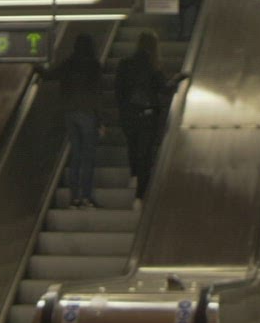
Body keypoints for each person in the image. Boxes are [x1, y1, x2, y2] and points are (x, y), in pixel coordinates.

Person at [113, 30, 187, 209]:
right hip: (148, 116)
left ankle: (133, 175)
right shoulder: (152, 66)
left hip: (129, 116)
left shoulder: (124, 64)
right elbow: (165, 89)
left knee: (133, 146)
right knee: (145, 155)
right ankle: (139, 196)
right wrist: (179, 77)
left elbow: (118, 91)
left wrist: (123, 112)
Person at [38, 33, 105, 208]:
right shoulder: (94, 65)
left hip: (69, 114)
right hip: (87, 113)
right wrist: (100, 121)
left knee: (76, 155)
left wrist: (34, 63)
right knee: (88, 157)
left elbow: (48, 75)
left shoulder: (68, 64)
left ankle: (74, 198)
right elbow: (97, 94)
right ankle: (86, 197)